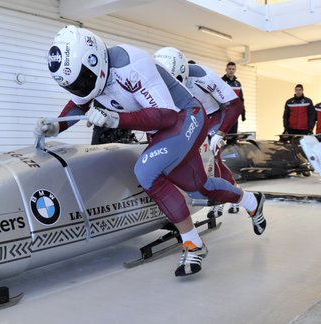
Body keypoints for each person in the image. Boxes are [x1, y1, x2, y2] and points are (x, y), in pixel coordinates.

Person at [39, 25, 265, 276]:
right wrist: (55, 126)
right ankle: (252, 201)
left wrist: (116, 120)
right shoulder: (91, 73)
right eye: (74, 85)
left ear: (94, 60)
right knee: (199, 187)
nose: (82, 88)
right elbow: (78, 103)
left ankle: (193, 244)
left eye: (83, 81)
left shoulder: (131, 64)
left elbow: (166, 115)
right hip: (162, 128)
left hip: (185, 116)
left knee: (146, 171)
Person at [154, 48, 250, 218]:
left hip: (213, 117)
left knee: (214, 157)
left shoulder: (202, 75)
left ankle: (229, 197)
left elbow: (235, 105)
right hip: (190, 117)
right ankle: (225, 189)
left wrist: (220, 133)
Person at [221, 62, 245, 135]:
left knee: (232, 138)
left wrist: (243, 113)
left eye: (233, 69)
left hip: (234, 115)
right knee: (220, 137)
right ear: (226, 70)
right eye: (229, 69)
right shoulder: (221, 81)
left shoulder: (238, 84)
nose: (231, 71)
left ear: (235, 70)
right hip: (223, 115)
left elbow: (241, 99)